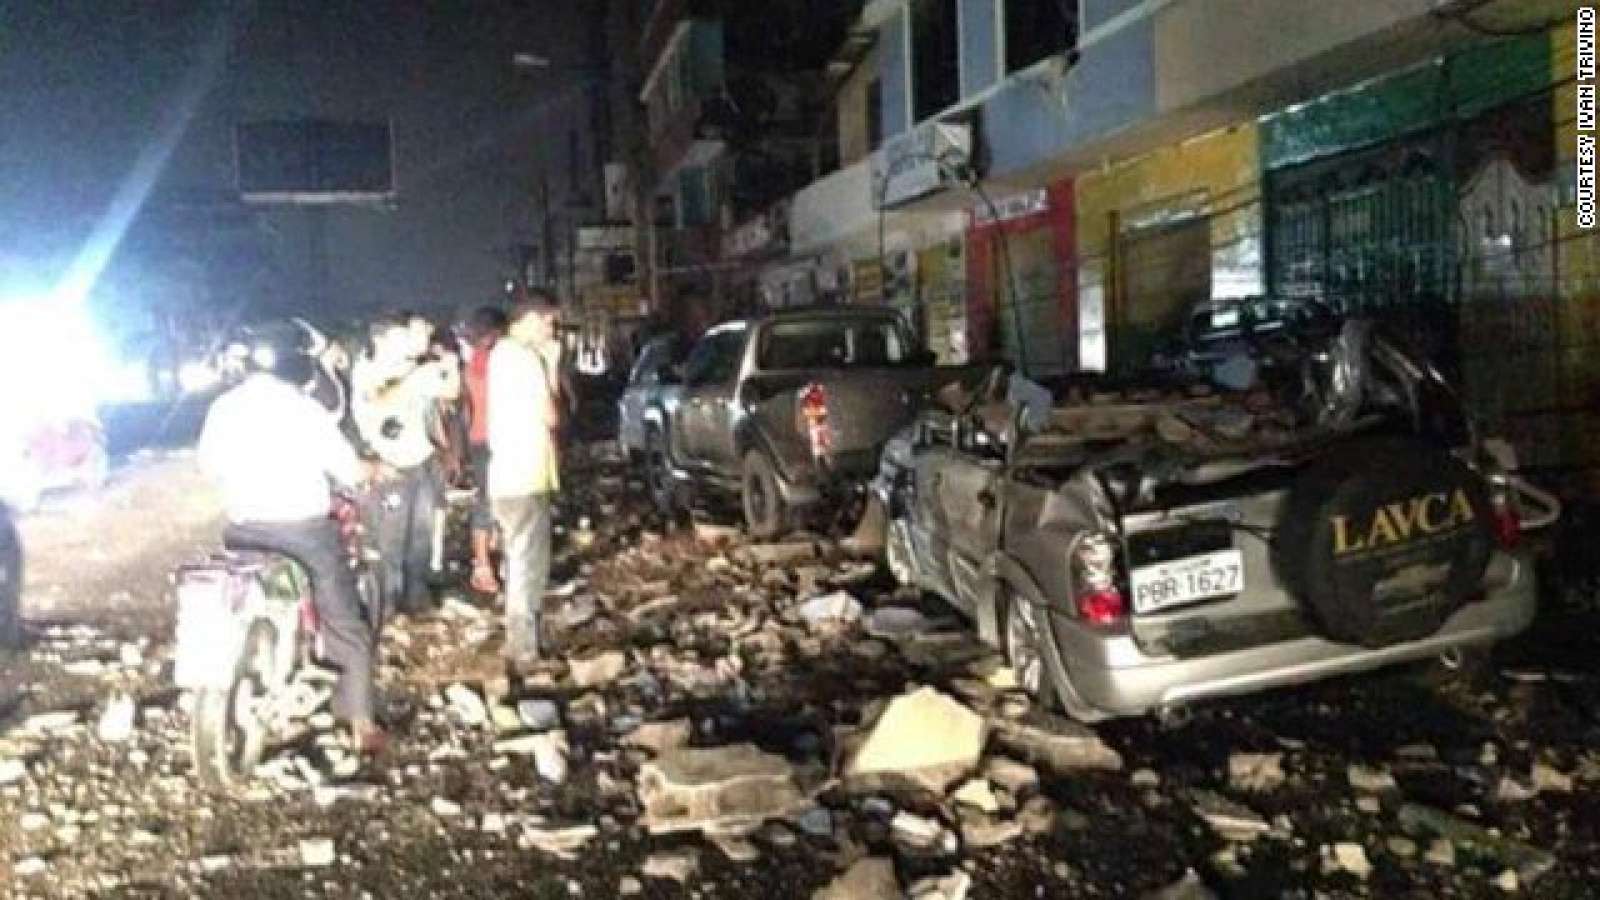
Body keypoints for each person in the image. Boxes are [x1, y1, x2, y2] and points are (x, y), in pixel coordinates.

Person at [195, 321, 388, 753]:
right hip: (304, 534)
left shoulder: (224, 407)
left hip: (243, 533)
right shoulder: (304, 409)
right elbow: (349, 469)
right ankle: (360, 722)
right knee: (345, 622)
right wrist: (372, 469)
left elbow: (207, 466)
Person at [351, 311, 460, 616]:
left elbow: (450, 392)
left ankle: (416, 598)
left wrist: (450, 366)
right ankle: (385, 608)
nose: (412, 341)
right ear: (381, 339)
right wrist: (415, 379)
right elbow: (380, 399)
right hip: (389, 465)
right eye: (404, 335)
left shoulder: (415, 368)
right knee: (389, 541)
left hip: (421, 460)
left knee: (421, 536)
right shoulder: (368, 368)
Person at [488, 296, 561, 667]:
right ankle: (524, 648)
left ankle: (519, 641)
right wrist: (552, 366)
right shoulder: (526, 359)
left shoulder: (500, 354)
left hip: (507, 474)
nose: (552, 331)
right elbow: (551, 415)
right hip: (526, 474)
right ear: (532, 319)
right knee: (527, 564)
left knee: (518, 559)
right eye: (549, 323)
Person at [462, 305, 508, 594]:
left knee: (489, 499)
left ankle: (489, 562)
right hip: (494, 439)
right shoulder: (490, 360)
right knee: (490, 501)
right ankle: (483, 566)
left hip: (481, 438)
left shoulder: (475, 360)